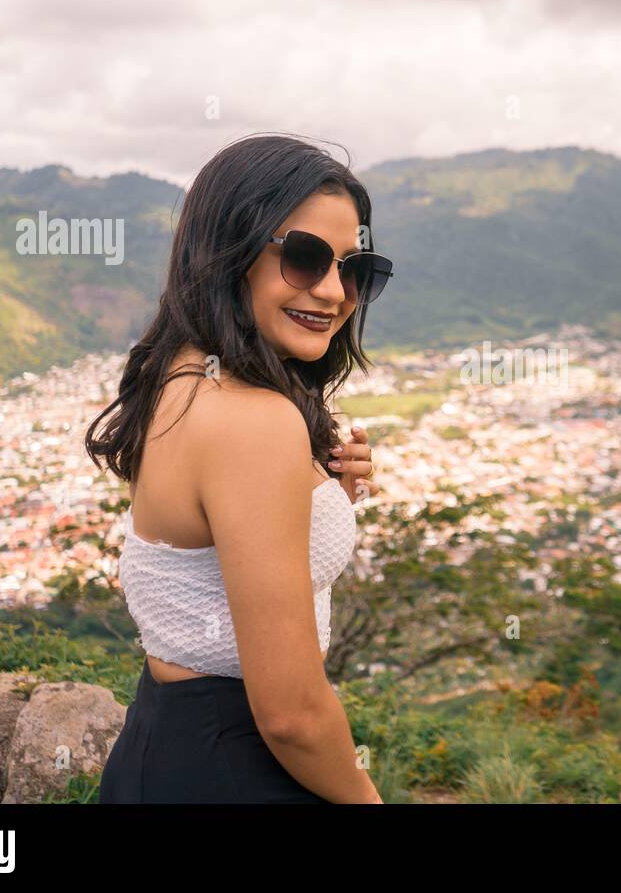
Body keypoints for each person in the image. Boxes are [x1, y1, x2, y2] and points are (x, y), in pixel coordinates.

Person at [87, 132, 393, 803]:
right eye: (306, 257)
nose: (335, 291)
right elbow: (290, 716)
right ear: (231, 251)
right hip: (237, 765)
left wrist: (320, 492)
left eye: (354, 269)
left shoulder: (180, 375)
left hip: (161, 744)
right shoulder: (254, 421)